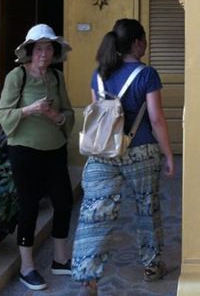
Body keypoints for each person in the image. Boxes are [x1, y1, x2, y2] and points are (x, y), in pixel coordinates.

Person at [72, 18, 175, 295]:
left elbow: (97, 115)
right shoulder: (147, 74)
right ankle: (152, 266)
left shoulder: (99, 74)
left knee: (94, 213)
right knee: (147, 208)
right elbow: (156, 119)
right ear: (137, 43)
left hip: (103, 153)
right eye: (144, 40)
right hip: (141, 151)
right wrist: (168, 154)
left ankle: (88, 279)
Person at [0, 24, 75, 291]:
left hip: (55, 148)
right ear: (30, 51)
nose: (44, 53)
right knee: (28, 205)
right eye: (39, 48)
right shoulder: (16, 76)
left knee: (64, 202)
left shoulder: (56, 77)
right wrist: (30, 109)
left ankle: (60, 258)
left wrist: (58, 117)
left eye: (49, 48)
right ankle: (27, 266)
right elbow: (4, 113)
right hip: (24, 151)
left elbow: (68, 112)